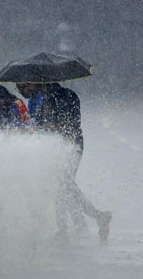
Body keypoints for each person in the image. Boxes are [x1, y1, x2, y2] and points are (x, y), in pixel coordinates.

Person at [16, 82, 111, 242]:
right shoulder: (47, 98)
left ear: (33, 84)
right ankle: (89, 219)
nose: (20, 91)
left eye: (22, 87)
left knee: (63, 185)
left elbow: (68, 124)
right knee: (63, 186)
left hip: (71, 146)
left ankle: (80, 223)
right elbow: (42, 123)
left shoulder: (62, 97)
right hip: (59, 146)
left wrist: (50, 126)